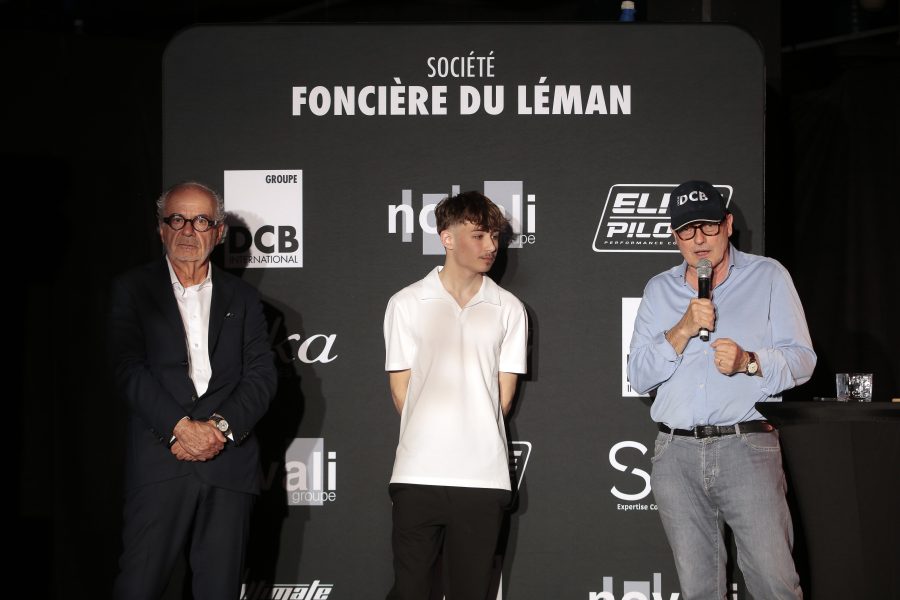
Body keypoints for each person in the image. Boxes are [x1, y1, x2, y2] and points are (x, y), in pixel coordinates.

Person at [628, 180, 815, 600]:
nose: (699, 240)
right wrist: (682, 329)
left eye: (708, 226)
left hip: (747, 447)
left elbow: (803, 359)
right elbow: (638, 375)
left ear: (728, 225)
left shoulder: (768, 276)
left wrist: (750, 361)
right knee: (699, 590)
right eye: (687, 230)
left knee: (774, 583)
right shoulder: (659, 290)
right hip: (676, 453)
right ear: (675, 236)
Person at [110, 181, 277, 600]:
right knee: (138, 588)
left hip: (228, 465)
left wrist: (217, 429)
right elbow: (128, 368)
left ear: (218, 233)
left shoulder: (244, 298)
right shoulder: (133, 289)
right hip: (160, 461)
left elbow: (261, 376)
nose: (188, 231)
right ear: (161, 229)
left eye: (201, 220)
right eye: (177, 220)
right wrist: (180, 428)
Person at [383, 191, 528, 600]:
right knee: (410, 591)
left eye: (494, 236)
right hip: (416, 474)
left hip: (483, 477)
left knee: (471, 592)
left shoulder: (509, 308)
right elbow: (401, 393)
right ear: (447, 237)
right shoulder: (406, 303)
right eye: (479, 235)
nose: (491, 246)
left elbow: (503, 397)